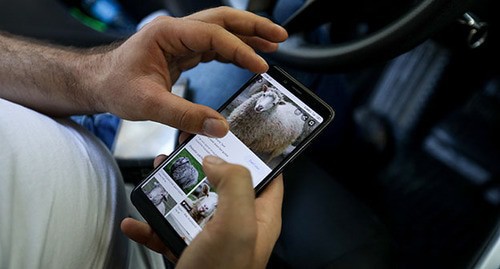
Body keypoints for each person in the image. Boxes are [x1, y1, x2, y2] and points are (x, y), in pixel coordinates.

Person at [0, 6, 287, 269]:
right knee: (285, 38)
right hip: (150, 243)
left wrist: (94, 77)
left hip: (86, 112)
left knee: (260, 32)